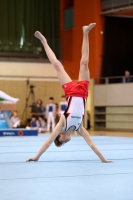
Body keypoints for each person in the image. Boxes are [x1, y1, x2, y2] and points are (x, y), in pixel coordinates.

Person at [27, 23, 112, 163]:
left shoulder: (62, 123)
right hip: (83, 92)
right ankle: (85, 32)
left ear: (60, 135)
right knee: (84, 62)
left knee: (57, 65)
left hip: (71, 91)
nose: (67, 141)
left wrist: (36, 157)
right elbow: (91, 144)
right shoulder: (79, 128)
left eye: (63, 141)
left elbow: (48, 142)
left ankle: (44, 41)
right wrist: (104, 159)